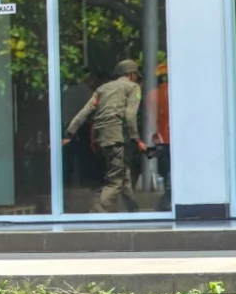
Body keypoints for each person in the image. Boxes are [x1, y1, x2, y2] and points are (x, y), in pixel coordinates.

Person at [64, 59, 146, 213]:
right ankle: (97, 208)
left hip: (101, 138)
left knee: (124, 175)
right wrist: (137, 139)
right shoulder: (133, 88)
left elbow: (85, 111)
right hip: (118, 138)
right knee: (116, 181)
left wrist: (69, 132)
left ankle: (134, 211)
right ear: (132, 74)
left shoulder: (102, 89)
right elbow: (130, 115)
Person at [151, 61, 171, 211]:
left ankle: (167, 195)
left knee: (165, 171)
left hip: (161, 138)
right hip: (176, 139)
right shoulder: (180, 92)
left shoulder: (152, 95)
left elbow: (150, 119)